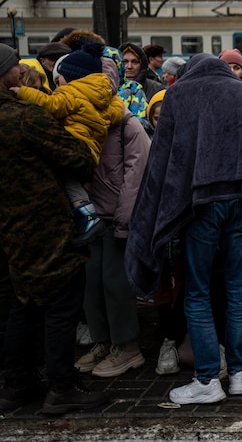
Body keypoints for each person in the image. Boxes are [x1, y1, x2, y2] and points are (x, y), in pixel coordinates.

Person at [126, 53, 242, 405]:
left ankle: (207, 378)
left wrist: (152, 214)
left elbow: (164, 159)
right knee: (239, 289)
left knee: (198, 291)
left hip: (199, 205)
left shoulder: (178, 95)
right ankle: (237, 374)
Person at [0, 43, 109, 414]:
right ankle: (61, 388)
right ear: (5, 75)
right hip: (46, 225)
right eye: (15, 67)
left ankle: (17, 386)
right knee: (61, 306)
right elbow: (77, 158)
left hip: (9, 229)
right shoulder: (24, 117)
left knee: (23, 305)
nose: (21, 71)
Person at [74, 58, 151, 378]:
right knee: (92, 284)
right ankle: (104, 341)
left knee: (115, 284)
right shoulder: (84, 119)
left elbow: (139, 169)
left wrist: (124, 214)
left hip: (114, 217)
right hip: (92, 215)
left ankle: (127, 346)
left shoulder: (125, 121)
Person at [11, 44, 126, 245]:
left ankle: (89, 217)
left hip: (71, 147)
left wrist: (22, 92)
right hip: (91, 153)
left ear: (73, 78)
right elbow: (116, 113)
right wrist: (115, 100)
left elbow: (50, 105)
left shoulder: (71, 95)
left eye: (60, 78)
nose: (57, 83)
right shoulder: (105, 101)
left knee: (68, 182)